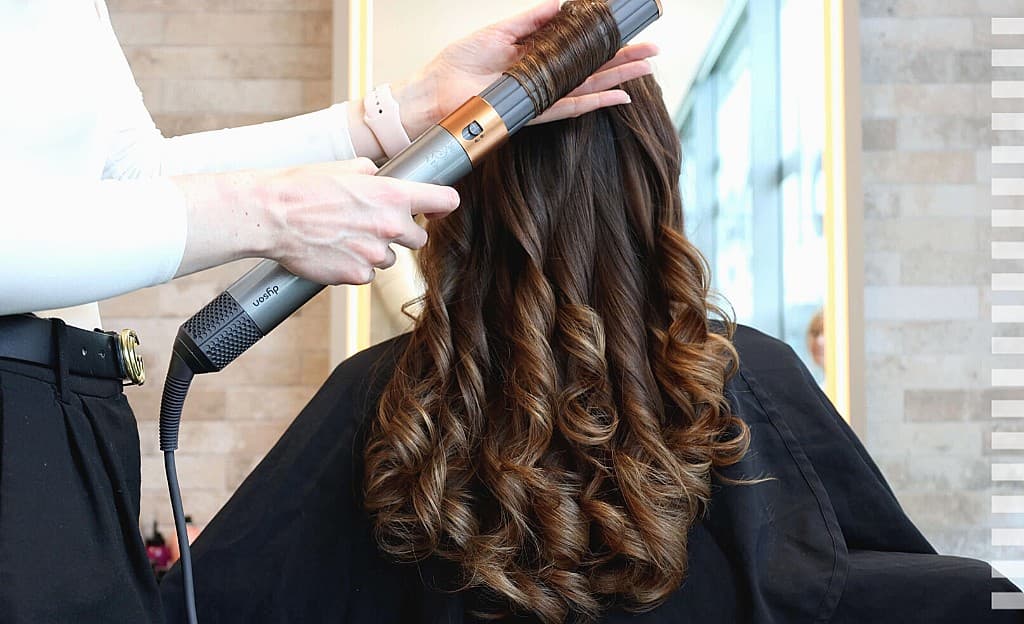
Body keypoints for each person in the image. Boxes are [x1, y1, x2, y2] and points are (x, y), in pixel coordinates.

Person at [159, 23, 1023, 624]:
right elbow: (899, 592)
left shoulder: (383, 398)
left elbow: (208, 603)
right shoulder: (748, 379)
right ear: (654, 183)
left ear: (460, 199)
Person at [0, 1, 656, 621]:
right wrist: (274, 216)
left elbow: (125, 173)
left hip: (66, 420)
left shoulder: (377, 396)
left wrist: (407, 109)